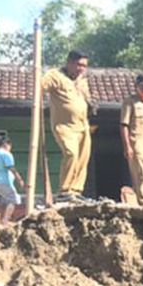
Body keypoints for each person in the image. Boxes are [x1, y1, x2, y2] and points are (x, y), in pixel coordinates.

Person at [42, 50, 93, 203]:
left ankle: (76, 190)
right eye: (79, 65)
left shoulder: (81, 80)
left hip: (82, 125)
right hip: (64, 126)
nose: (81, 69)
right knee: (71, 154)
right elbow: (40, 86)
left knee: (83, 157)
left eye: (84, 66)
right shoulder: (55, 76)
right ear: (69, 62)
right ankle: (64, 190)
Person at [120, 73, 143, 206]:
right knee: (140, 173)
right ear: (137, 86)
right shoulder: (130, 101)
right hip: (136, 141)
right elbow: (124, 125)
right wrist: (127, 146)